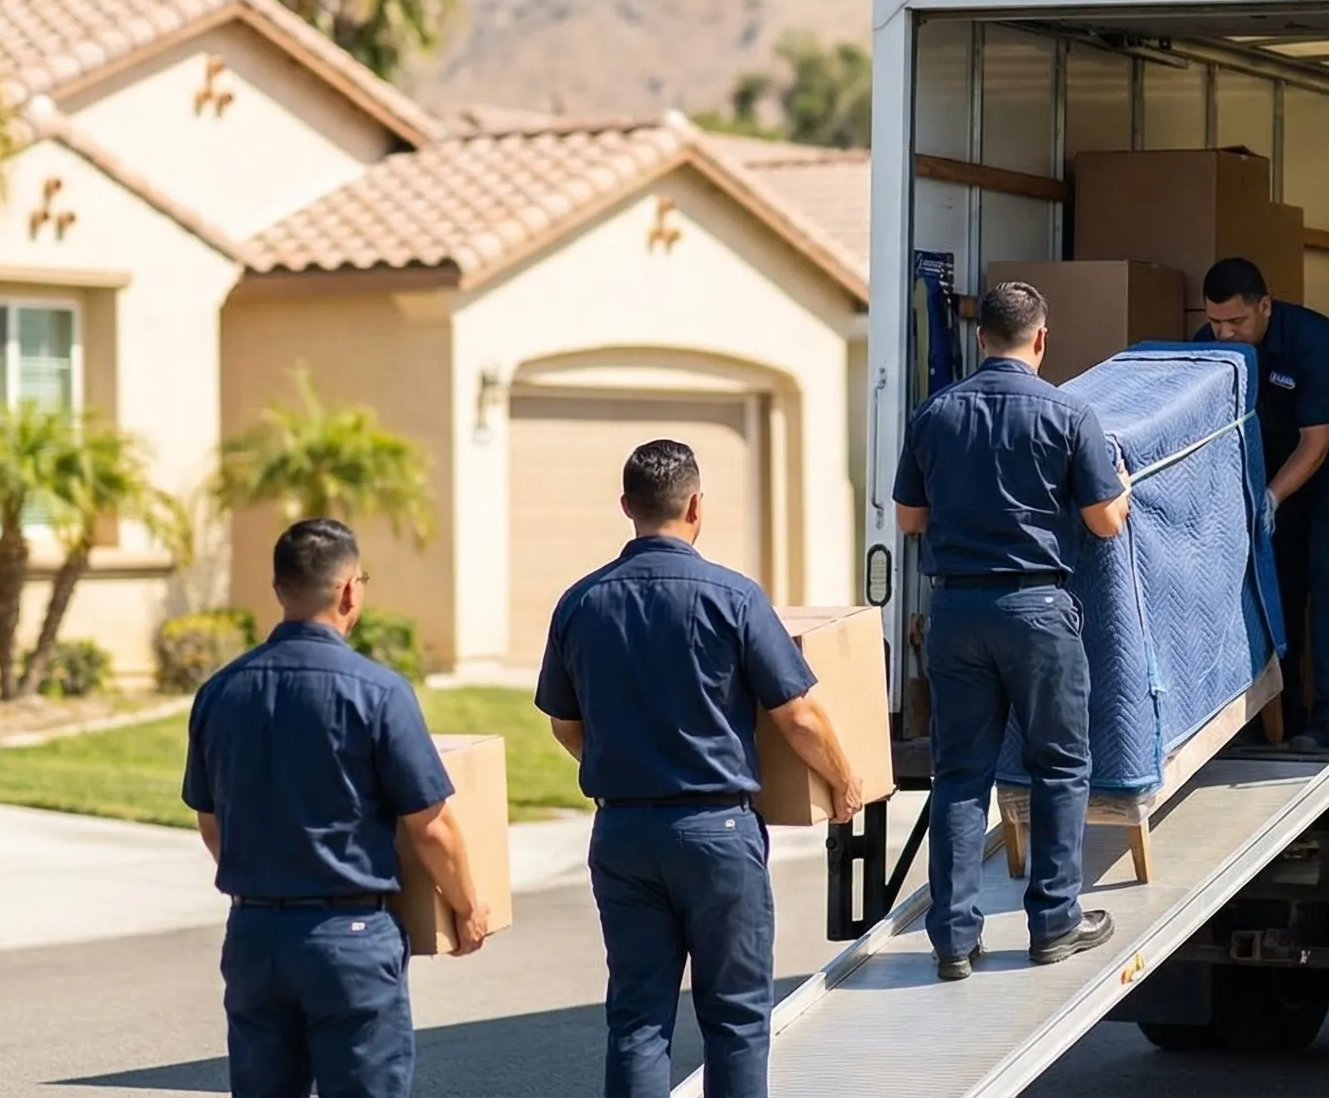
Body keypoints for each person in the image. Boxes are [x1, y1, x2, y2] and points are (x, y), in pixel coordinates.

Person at [536, 439, 867, 1098]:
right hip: (717, 833)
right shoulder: (734, 597)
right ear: (696, 506)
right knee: (736, 1018)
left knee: (637, 1019)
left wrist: (620, 764)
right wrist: (844, 780)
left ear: (627, 506)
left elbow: (564, 723)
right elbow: (797, 717)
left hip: (624, 833)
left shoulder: (580, 602)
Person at [184, 518, 490, 1098]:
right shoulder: (378, 691)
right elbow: (431, 826)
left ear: (279, 589)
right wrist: (467, 907)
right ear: (350, 589)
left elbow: (211, 822)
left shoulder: (220, 692)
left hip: (254, 935)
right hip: (348, 935)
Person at [893, 280, 1132, 982]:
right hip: (1036, 609)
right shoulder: (1069, 414)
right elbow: (1105, 523)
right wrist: (1115, 482)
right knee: (1057, 766)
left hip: (958, 609)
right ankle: (1054, 923)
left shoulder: (935, 415)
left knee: (959, 774)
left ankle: (953, 939)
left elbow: (909, 520)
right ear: (1042, 339)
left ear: (979, 338)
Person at [1195, 256, 1329, 755]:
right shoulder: (1208, 345)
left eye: (1236, 321)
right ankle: (1281, 716)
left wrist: (1271, 498)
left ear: (1265, 305)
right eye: (1216, 322)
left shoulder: (1313, 341)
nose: (1225, 334)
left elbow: (1316, 444)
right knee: (1277, 579)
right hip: (1281, 463)